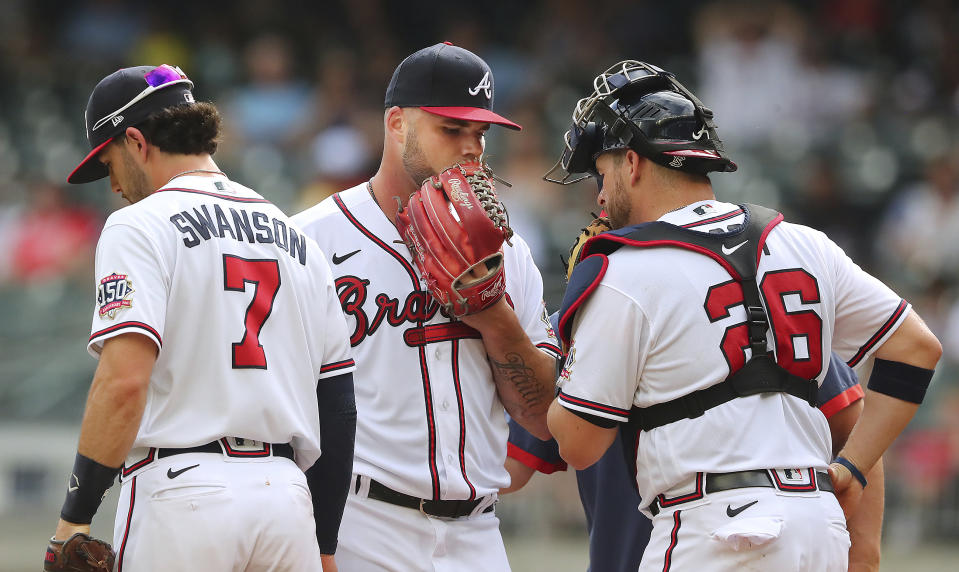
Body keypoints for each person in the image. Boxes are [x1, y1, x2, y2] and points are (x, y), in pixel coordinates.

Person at [543, 60, 941, 571]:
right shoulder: (801, 242)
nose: (599, 195)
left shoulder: (623, 273)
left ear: (632, 163)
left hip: (713, 529)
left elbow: (578, 444)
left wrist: (561, 352)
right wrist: (853, 469)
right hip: (817, 526)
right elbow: (917, 348)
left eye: (602, 172)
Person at [48, 64, 356, 571]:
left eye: (109, 164)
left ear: (135, 141)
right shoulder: (295, 235)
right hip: (286, 500)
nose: (114, 186)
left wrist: (74, 518)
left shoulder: (138, 225)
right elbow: (338, 403)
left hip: (182, 494)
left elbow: (123, 384)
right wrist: (323, 543)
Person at [293, 42, 561, 571]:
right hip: (357, 524)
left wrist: (495, 318)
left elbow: (543, 417)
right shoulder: (310, 241)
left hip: (478, 531)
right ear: (397, 124)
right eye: (451, 129)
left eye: (480, 134)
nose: (471, 149)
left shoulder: (507, 251)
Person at [505, 350, 885, 571]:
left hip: (754, 549)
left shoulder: (758, 295)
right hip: (628, 558)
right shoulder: (574, 326)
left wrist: (864, 555)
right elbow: (508, 468)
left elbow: (850, 418)